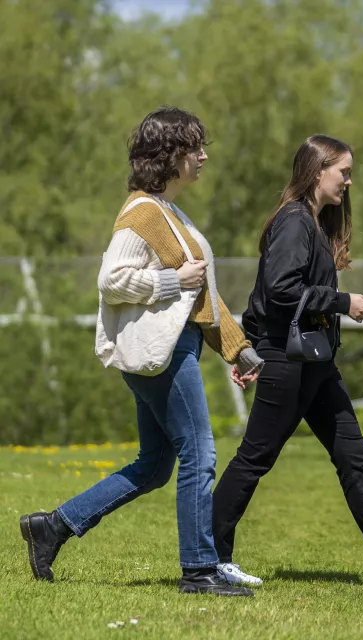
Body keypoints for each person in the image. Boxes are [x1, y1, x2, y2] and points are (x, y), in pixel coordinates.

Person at [18, 107, 262, 597]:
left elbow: (205, 294)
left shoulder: (170, 214)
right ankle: (198, 569)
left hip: (176, 346)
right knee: (200, 452)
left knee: (154, 465)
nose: (203, 155)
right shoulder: (143, 213)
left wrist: (239, 350)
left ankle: (54, 526)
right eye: (195, 147)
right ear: (169, 154)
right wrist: (173, 279)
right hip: (164, 352)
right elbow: (111, 281)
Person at [211, 134, 363, 591]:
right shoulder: (294, 222)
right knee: (255, 458)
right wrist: (342, 301)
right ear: (318, 170)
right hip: (289, 359)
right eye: (343, 171)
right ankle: (208, 558)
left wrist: (247, 346)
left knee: (353, 456)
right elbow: (279, 288)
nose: (349, 180)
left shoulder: (313, 224)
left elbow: (261, 295)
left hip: (316, 360)